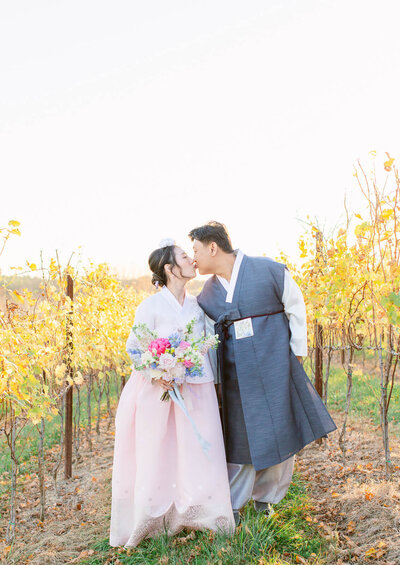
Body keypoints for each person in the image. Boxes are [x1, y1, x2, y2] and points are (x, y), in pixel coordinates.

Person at [188, 221, 337, 525]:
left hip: (275, 366)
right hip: (235, 378)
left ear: (213, 247)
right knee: (239, 439)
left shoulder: (269, 270)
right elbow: (206, 337)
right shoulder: (207, 294)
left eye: (196, 250)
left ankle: (266, 499)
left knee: (281, 432)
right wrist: (214, 380)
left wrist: (295, 353)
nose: (193, 258)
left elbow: (296, 307)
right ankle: (234, 504)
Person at [109, 238, 235, 548]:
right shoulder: (149, 306)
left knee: (197, 451)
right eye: (184, 256)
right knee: (158, 452)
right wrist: (158, 373)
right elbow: (135, 348)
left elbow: (206, 347)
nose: (193, 260)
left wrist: (211, 383)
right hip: (158, 391)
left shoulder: (197, 305)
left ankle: (202, 512)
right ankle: (153, 517)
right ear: (169, 268)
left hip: (195, 389)